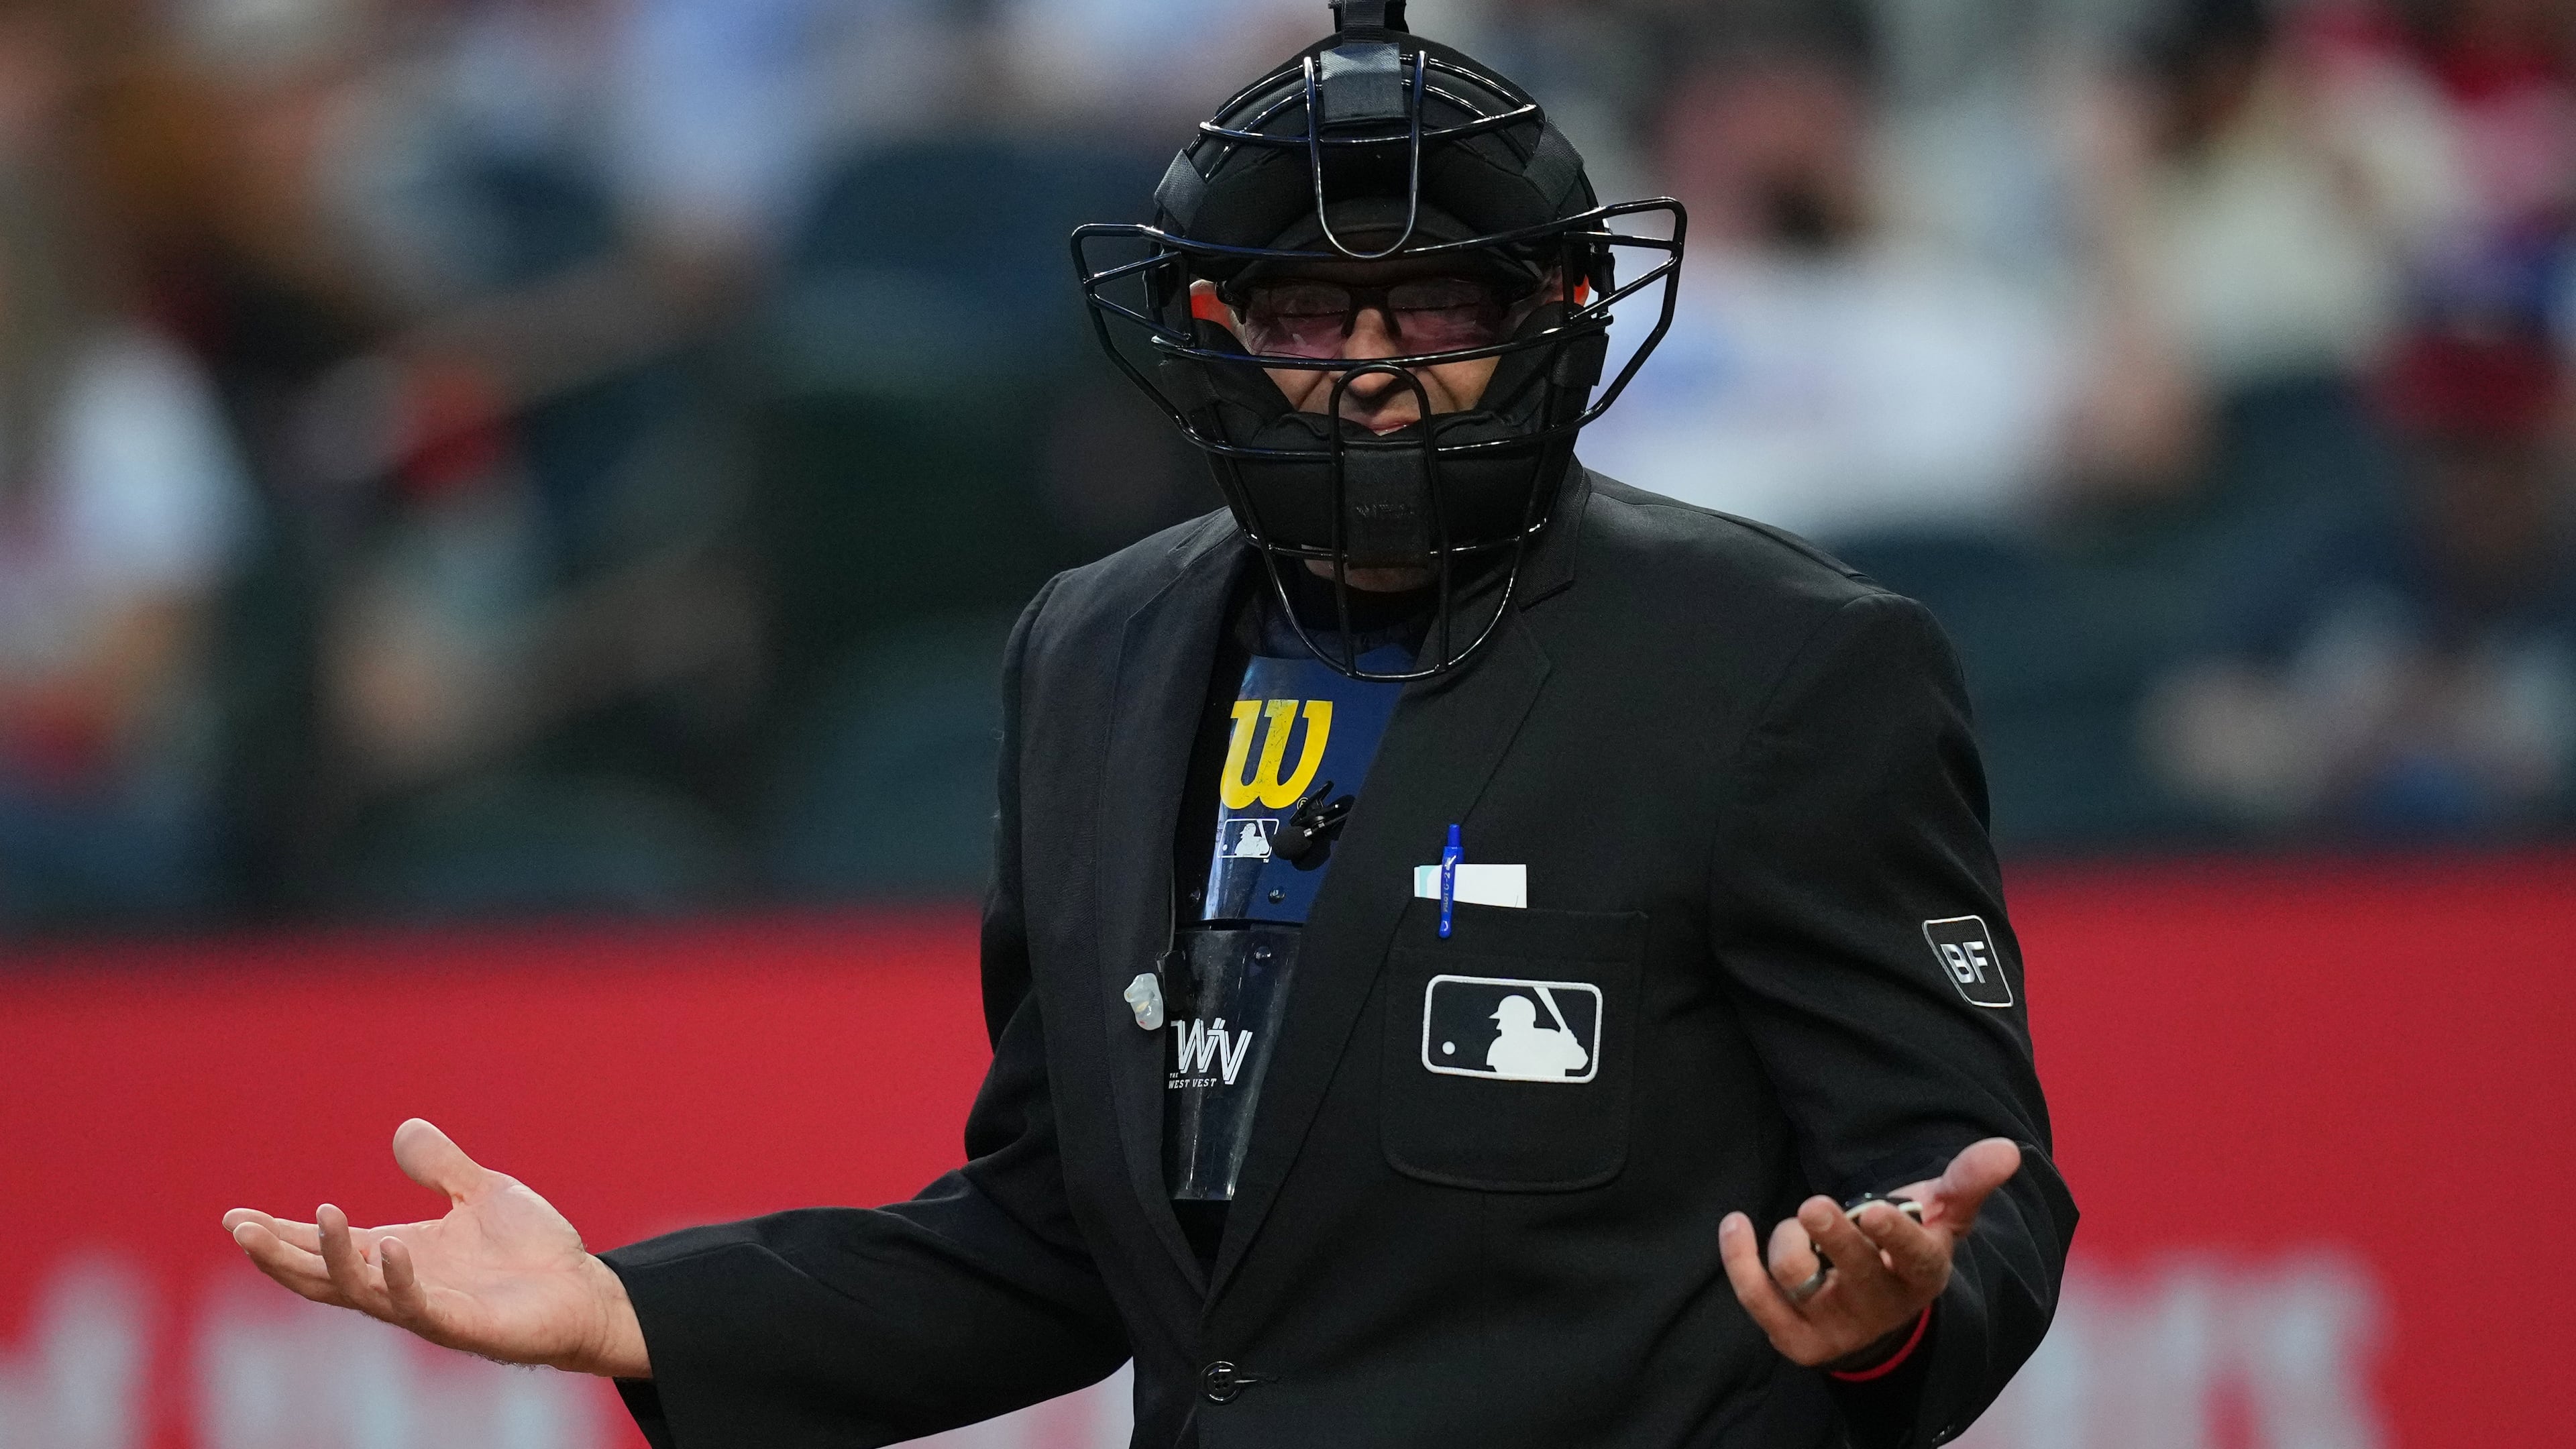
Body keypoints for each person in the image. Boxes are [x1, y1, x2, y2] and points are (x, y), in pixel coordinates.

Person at [221, 5, 2077, 1446]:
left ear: (1554, 321)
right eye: (1303, 313)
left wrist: (1894, 1308)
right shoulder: (1092, 654)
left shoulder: (1785, 667)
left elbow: (1968, 1180)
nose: (1370, 367)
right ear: (1208, 337)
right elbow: (1055, 1236)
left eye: (1432, 299)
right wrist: (630, 1311)